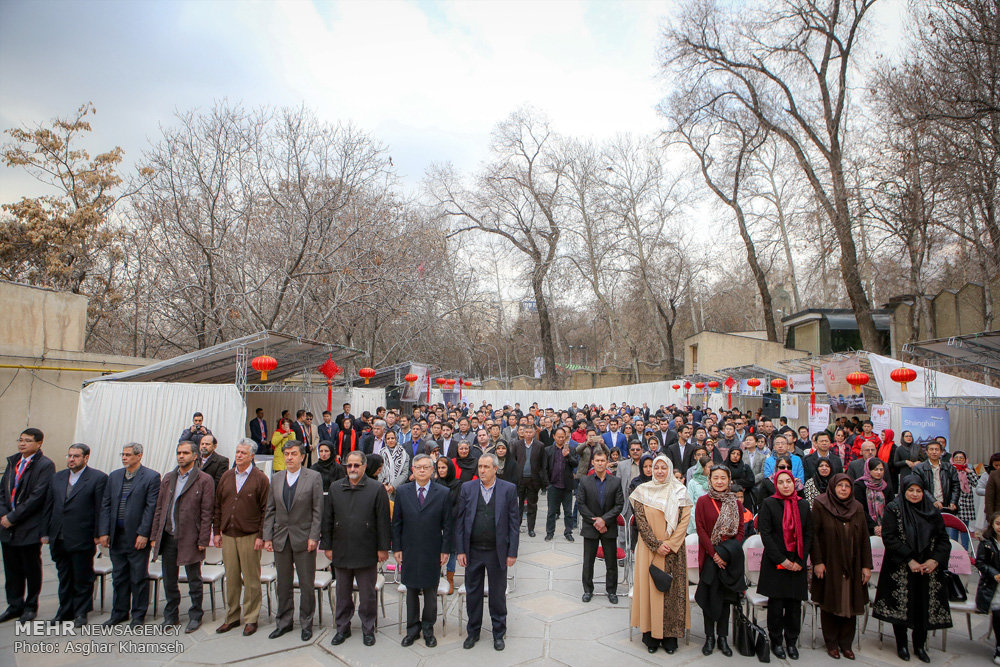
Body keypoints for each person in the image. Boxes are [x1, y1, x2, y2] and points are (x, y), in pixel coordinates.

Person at [872, 475, 953, 663]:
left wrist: (935, 561)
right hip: (901, 564)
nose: (915, 494)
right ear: (904, 490)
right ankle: (901, 644)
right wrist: (909, 559)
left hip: (927, 567)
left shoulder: (932, 511)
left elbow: (943, 539)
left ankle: (919, 645)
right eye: (911, 490)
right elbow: (889, 537)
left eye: (918, 490)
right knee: (901, 606)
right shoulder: (894, 508)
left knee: (923, 606)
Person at [324, 450, 391, 647]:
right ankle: (342, 628)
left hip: (367, 550)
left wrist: (383, 548)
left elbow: (383, 521)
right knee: (342, 593)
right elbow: (327, 519)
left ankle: (368, 629)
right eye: (349, 465)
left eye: (356, 465)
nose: (352, 469)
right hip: (341, 549)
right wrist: (327, 545)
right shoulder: (336, 487)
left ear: (363, 466)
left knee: (367, 594)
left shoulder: (376, 488)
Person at [454, 453, 519, 651]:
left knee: (497, 594)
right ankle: (473, 632)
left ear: (495, 469)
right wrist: (460, 550)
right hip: (473, 551)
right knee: (473, 593)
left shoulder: (508, 489)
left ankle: (499, 633)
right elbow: (460, 520)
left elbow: (514, 523)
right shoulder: (468, 488)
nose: (481, 470)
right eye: (480, 466)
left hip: (497, 551)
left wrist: (512, 552)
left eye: (486, 467)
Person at [150, 440, 215, 633]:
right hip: (169, 535)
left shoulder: (204, 480)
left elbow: (207, 512)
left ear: (195, 456)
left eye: (185, 453)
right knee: (169, 579)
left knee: (194, 578)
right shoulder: (169, 478)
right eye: (179, 452)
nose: (181, 456)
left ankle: (196, 615)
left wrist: (203, 539)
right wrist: (155, 535)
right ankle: (171, 615)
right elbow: (159, 508)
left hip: (190, 537)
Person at [629, 454, 691, 654]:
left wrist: (670, 544)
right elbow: (641, 521)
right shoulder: (642, 492)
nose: (660, 471)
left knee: (671, 592)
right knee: (651, 592)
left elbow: (684, 521)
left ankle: (670, 637)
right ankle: (650, 637)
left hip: (674, 551)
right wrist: (656, 545)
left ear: (670, 469)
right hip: (649, 549)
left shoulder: (680, 492)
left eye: (664, 468)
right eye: (657, 468)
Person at [41, 443, 107, 627]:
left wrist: (99, 534)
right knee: (64, 576)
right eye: (69, 455)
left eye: (76, 456)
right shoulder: (58, 477)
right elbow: (48, 506)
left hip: (82, 536)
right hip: (58, 536)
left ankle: (81, 612)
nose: (71, 459)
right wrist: (45, 532)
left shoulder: (97, 478)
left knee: (82, 576)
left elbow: (100, 508)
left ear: (86, 458)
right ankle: (64, 611)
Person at [263, 441, 323, 641]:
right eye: (286, 454)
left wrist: (314, 536)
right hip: (281, 537)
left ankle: (307, 623)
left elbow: (317, 510)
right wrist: (267, 536)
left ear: (302, 456)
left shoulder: (313, 477)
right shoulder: (277, 478)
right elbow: (270, 509)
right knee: (283, 583)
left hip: (304, 537)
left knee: (306, 584)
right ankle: (284, 622)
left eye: (293, 454)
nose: (289, 457)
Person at [391, 454, 451, 647]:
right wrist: (397, 548)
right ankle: (412, 630)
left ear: (433, 471)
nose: (422, 470)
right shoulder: (402, 491)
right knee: (411, 591)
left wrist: (445, 549)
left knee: (430, 592)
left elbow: (448, 524)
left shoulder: (443, 492)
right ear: (413, 470)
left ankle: (428, 629)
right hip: (409, 548)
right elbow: (397, 523)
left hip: (432, 549)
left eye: (426, 467)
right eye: (418, 467)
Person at [811, 473, 872, 659]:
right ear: (833, 487)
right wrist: (818, 562)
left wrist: (866, 566)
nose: (844, 489)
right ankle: (831, 642)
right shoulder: (821, 504)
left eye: (847, 486)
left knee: (850, 602)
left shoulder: (858, 507)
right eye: (840, 486)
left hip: (853, 563)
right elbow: (814, 536)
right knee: (830, 601)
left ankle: (846, 643)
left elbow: (864, 538)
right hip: (830, 562)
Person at [98, 442, 161, 626]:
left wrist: (144, 534)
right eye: (123, 454)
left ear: (139, 456)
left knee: (138, 576)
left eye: (128, 455)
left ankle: (138, 614)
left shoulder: (151, 477)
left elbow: (151, 508)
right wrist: (104, 531)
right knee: (119, 576)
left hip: (136, 535)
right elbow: (106, 504)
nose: (124, 458)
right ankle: (119, 612)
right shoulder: (115, 476)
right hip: (116, 535)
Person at [213, 439, 270, 636]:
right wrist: (216, 532)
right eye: (237, 451)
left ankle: (251, 618)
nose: (238, 455)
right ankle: (232, 617)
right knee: (232, 578)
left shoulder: (260, 478)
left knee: (251, 579)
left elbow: (266, 510)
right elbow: (217, 506)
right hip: (228, 534)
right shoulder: (226, 477)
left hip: (250, 535)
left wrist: (261, 536)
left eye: (243, 453)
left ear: (252, 456)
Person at [0, 427, 55, 624]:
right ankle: (14, 605)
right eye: (20, 439)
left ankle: (31, 606)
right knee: (11, 569)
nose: (22, 443)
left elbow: (37, 497)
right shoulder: (13, 461)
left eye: (28, 441)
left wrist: (13, 517)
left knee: (30, 568)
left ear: (39, 444)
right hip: (7, 526)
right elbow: (3, 491)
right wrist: (4, 515)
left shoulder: (45, 465)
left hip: (29, 526)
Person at [758, 469, 812, 660]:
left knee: (794, 605)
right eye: (780, 482)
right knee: (776, 605)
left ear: (794, 482)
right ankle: (776, 641)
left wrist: (799, 560)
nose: (785, 485)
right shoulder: (769, 503)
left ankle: (791, 642)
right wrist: (782, 560)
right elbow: (766, 534)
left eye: (788, 481)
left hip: (797, 563)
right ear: (776, 485)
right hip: (776, 562)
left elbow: (807, 535)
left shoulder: (803, 505)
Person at [694, 465, 746, 657]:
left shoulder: (735, 502)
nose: (719, 481)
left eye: (723, 478)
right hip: (709, 556)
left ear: (729, 480)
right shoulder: (702, 501)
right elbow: (700, 529)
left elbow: (740, 531)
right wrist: (714, 554)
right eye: (715, 478)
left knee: (725, 598)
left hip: (729, 559)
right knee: (710, 597)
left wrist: (727, 553)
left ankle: (723, 637)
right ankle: (709, 637)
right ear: (710, 480)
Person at [578, 449, 625, 603]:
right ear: (593, 462)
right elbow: (581, 504)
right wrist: (596, 522)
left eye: (602, 460)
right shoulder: (585, 481)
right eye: (597, 460)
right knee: (588, 561)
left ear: (607, 462)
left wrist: (604, 520)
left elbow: (619, 505)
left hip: (608, 526)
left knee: (611, 562)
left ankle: (611, 591)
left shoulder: (615, 482)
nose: (599, 463)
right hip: (591, 527)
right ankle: (587, 590)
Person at [541, 427, 579, 542]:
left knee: (568, 512)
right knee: (551, 512)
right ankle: (550, 532)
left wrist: (567, 456)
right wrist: (547, 484)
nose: (561, 439)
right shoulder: (548, 450)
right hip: (553, 486)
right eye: (558, 437)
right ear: (554, 437)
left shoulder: (571, 449)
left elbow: (575, 464)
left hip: (566, 486)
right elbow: (544, 468)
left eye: (563, 437)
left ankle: (568, 532)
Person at [974, 512, 1000, 664]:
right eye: (997, 523)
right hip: (992, 586)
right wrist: (994, 574)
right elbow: (980, 563)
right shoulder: (987, 543)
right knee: (998, 613)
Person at [435, 457, 462, 593]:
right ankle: (435, 576)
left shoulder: (457, 484)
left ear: (449, 468)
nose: (441, 470)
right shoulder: (435, 482)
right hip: (436, 521)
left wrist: (447, 518)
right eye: (439, 468)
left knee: (451, 551)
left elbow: (458, 504)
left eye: (443, 467)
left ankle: (450, 578)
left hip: (452, 521)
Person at [513, 424, 545, 537]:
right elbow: (513, 461)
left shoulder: (540, 445)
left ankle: (531, 528)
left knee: (532, 505)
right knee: (518, 505)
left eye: (530, 432)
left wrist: (542, 481)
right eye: (525, 432)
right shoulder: (517, 444)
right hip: (520, 479)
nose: (527, 434)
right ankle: (517, 526)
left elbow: (542, 464)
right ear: (522, 432)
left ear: (533, 433)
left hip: (533, 480)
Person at [913, 441, 960, 515]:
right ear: (927, 452)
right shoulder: (919, 468)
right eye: (931, 449)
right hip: (926, 505)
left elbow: (956, 486)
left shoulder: (949, 467)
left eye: (937, 449)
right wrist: (933, 501)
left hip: (946, 506)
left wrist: (953, 502)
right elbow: (919, 487)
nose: (934, 452)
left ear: (941, 452)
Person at [854, 458, 894, 536]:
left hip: (884, 528)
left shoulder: (886, 486)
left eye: (881, 470)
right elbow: (859, 508)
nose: (879, 472)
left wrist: (883, 526)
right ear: (868, 470)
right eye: (875, 469)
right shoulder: (859, 486)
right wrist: (874, 527)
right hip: (864, 526)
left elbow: (890, 508)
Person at [950, 451, 978, 548]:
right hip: (953, 502)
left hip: (966, 504)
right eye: (956, 457)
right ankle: (953, 551)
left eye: (961, 458)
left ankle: (965, 551)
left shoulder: (968, 469)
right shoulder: (949, 469)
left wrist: (969, 473)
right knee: (953, 527)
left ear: (965, 460)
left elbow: (976, 484)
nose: (958, 459)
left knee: (964, 528)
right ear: (953, 459)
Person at [378, 430, 410, 500]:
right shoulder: (381, 453)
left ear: (396, 439)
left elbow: (404, 474)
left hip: (398, 488)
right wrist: (383, 485)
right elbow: (378, 471)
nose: (390, 440)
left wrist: (393, 486)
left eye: (392, 438)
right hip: (383, 488)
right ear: (385, 440)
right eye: (388, 439)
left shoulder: (404, 454)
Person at [686, 457, 712, 534]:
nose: (712, 469)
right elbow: (690, 504)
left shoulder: (714, 482)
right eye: (709, 467)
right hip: (695, 520)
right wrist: (696, 522)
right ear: (702, 468)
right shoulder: (693, 483)